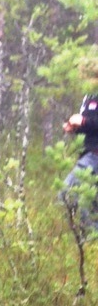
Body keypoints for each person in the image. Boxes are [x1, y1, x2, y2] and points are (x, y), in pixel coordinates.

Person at [61, 94, 98, 236]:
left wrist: (83, 121)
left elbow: (90, 122)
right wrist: (75, 128)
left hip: (94, 156)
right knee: (90, 202)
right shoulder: (89, 96)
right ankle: (91, 243)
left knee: (67, 191)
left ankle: (90, 236)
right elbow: (90, 129)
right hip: (88, 154)